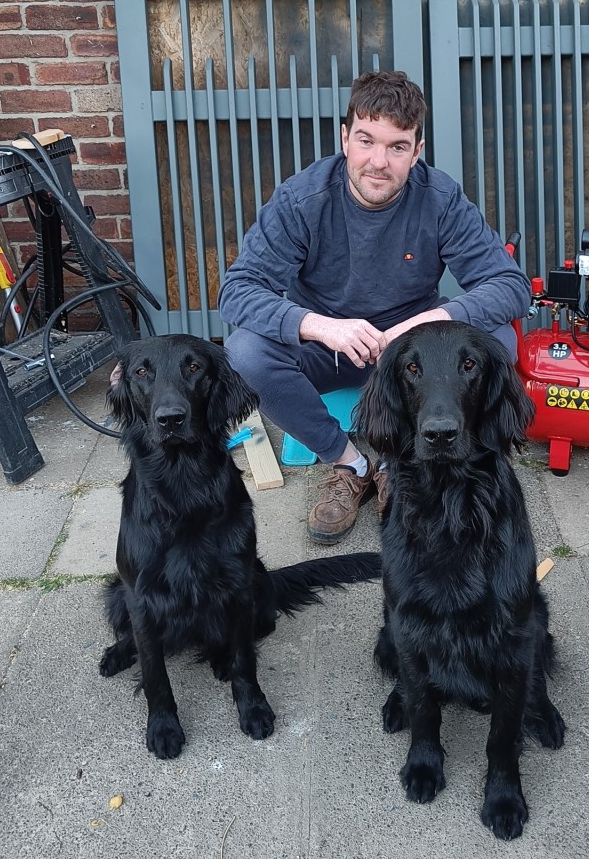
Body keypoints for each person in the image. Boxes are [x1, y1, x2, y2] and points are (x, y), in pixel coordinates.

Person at [219, 70, 531, 544]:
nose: (378, 162)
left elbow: (509, 285)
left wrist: (431, 321)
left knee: (498, 341)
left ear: (417, 151)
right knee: (244, 353)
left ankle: (418, 456)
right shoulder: (302, 199)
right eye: (366, 141)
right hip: (330, 348)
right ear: (345, 139)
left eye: (397, 146)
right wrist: (321, 327)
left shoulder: (440, 198)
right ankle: (351, 465)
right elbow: (237, 290)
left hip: (413, 357)